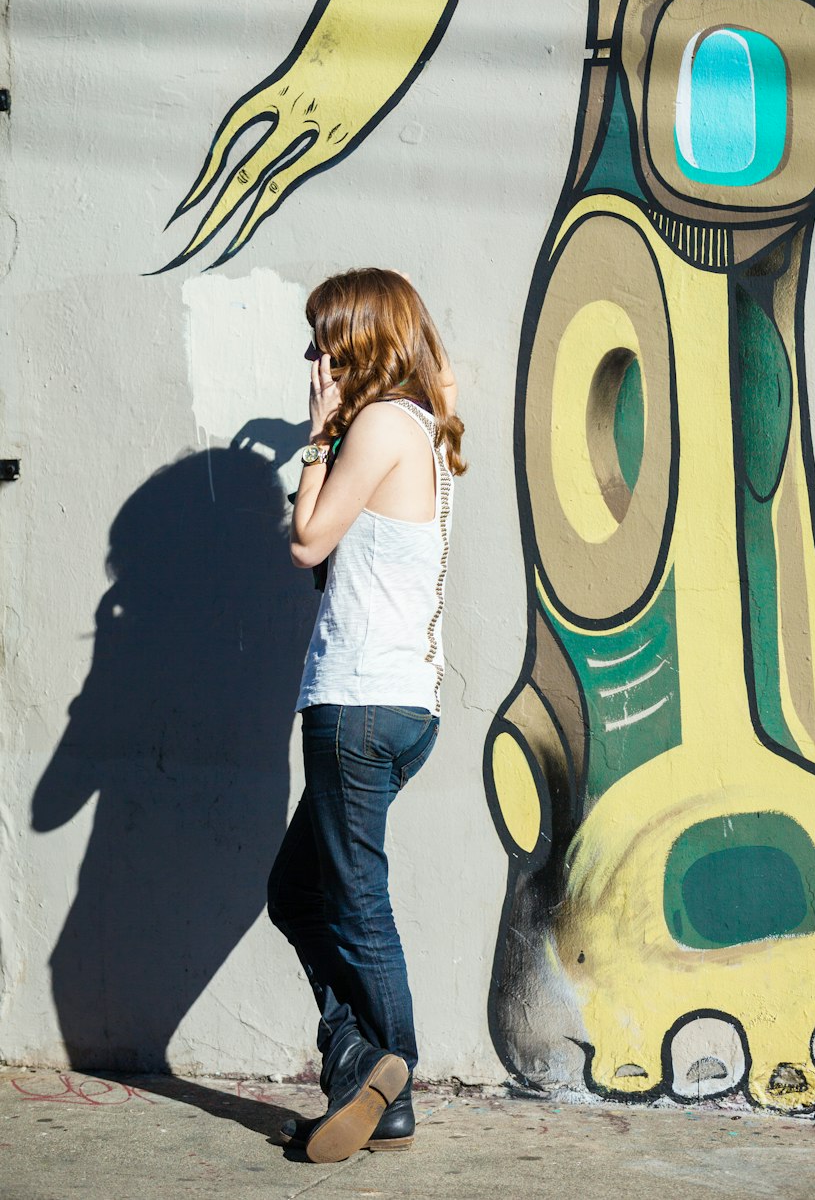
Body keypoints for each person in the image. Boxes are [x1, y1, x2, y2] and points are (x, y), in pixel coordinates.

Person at [266, 267, 465, 1164]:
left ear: (358, 345)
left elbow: (308, 538)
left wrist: (315, 439)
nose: (314, 360)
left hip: (355, 704)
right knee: (299, 892)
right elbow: (446, 373)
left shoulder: (380, 423)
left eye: (324, 344)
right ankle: (359, 1059)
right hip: (402, 704)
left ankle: (390, 1072)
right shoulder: (421, 422)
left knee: (354, 902)